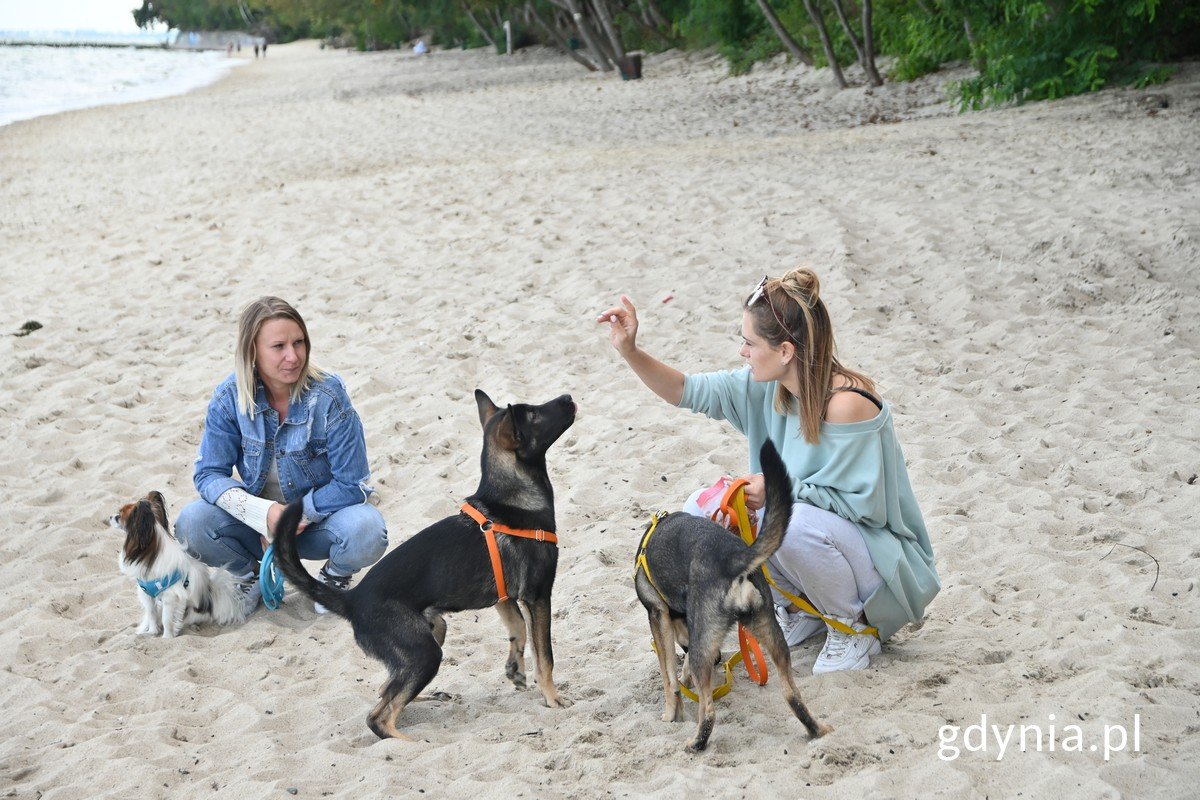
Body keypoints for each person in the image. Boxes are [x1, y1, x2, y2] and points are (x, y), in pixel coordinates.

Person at [597, 269, 939, 673]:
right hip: (826, 546)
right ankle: (803, 609)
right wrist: (631, 351)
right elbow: (686, 390)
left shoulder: (847, 404)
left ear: (785, 352)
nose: (742, 352)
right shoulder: (765, 386)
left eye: (749, 342)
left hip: (882, 568)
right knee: (702, 510)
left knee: (787, 523)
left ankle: (852, 628)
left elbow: (863, 507)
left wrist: (777, 490)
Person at [176, 297, 387, 616]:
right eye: (279, 346)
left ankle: (333, 577)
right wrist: (262, 514)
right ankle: (249, 575)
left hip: (318, 524)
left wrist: (291, 518)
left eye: (299, 342)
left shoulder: (329, 395)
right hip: (256, 529)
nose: (293, 356)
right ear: (253, 352)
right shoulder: (229, 397)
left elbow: (352, 484)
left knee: (368, 530)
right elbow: (208, 475)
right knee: (191, 524)